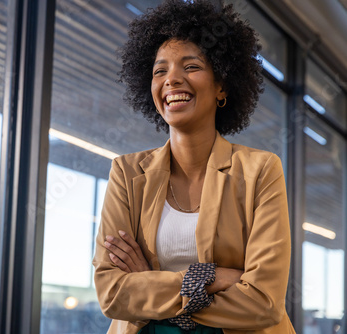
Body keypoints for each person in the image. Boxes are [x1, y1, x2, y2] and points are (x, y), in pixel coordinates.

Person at [92, 1, 296, 333]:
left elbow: (264, 302)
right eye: (160, 70)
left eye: (191, 66)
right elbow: (112, 294)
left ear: (222, 86)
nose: (172, 79)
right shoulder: (127, 174)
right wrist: (211, 276)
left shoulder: (260, 170)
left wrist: (147, 283)